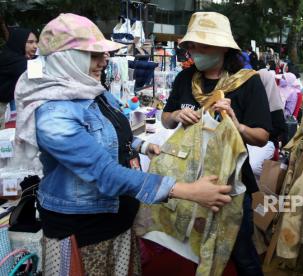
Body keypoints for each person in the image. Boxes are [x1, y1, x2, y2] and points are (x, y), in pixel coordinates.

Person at [14, 13, 232, 275]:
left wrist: (140, 146)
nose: (104, 61)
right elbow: (104, 173)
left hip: (116, 220)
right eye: (93, 55)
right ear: (67, 60)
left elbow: (110, 134)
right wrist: (187, 191)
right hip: (84, 232)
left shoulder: (90, 90)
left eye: (102, 54)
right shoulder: (53, 114)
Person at [161, 12, 271, 276]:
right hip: (189, 180)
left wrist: (235, 123)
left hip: (230, 184)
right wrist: (175, 115)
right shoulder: (184, 80)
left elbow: (262, 136)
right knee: (192, 246)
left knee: (241, 251)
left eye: (203, 45)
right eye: (191, 46)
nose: (195, 52)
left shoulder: (247, 83)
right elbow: (165, 120)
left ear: (223, 48)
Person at [247, 69, 286, 180]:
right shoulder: (249, 99)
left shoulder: (273, 101)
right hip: (246, 138)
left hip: (266, 141)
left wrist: (259, 131)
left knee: (252, 165)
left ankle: (259, 188)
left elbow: (279, 128)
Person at [0, 27, 37, 128]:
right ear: (19, 42)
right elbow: (38, 75)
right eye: (30, 42)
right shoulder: (14, 60)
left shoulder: (10, 55)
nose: (35, 46)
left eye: (36, 42)